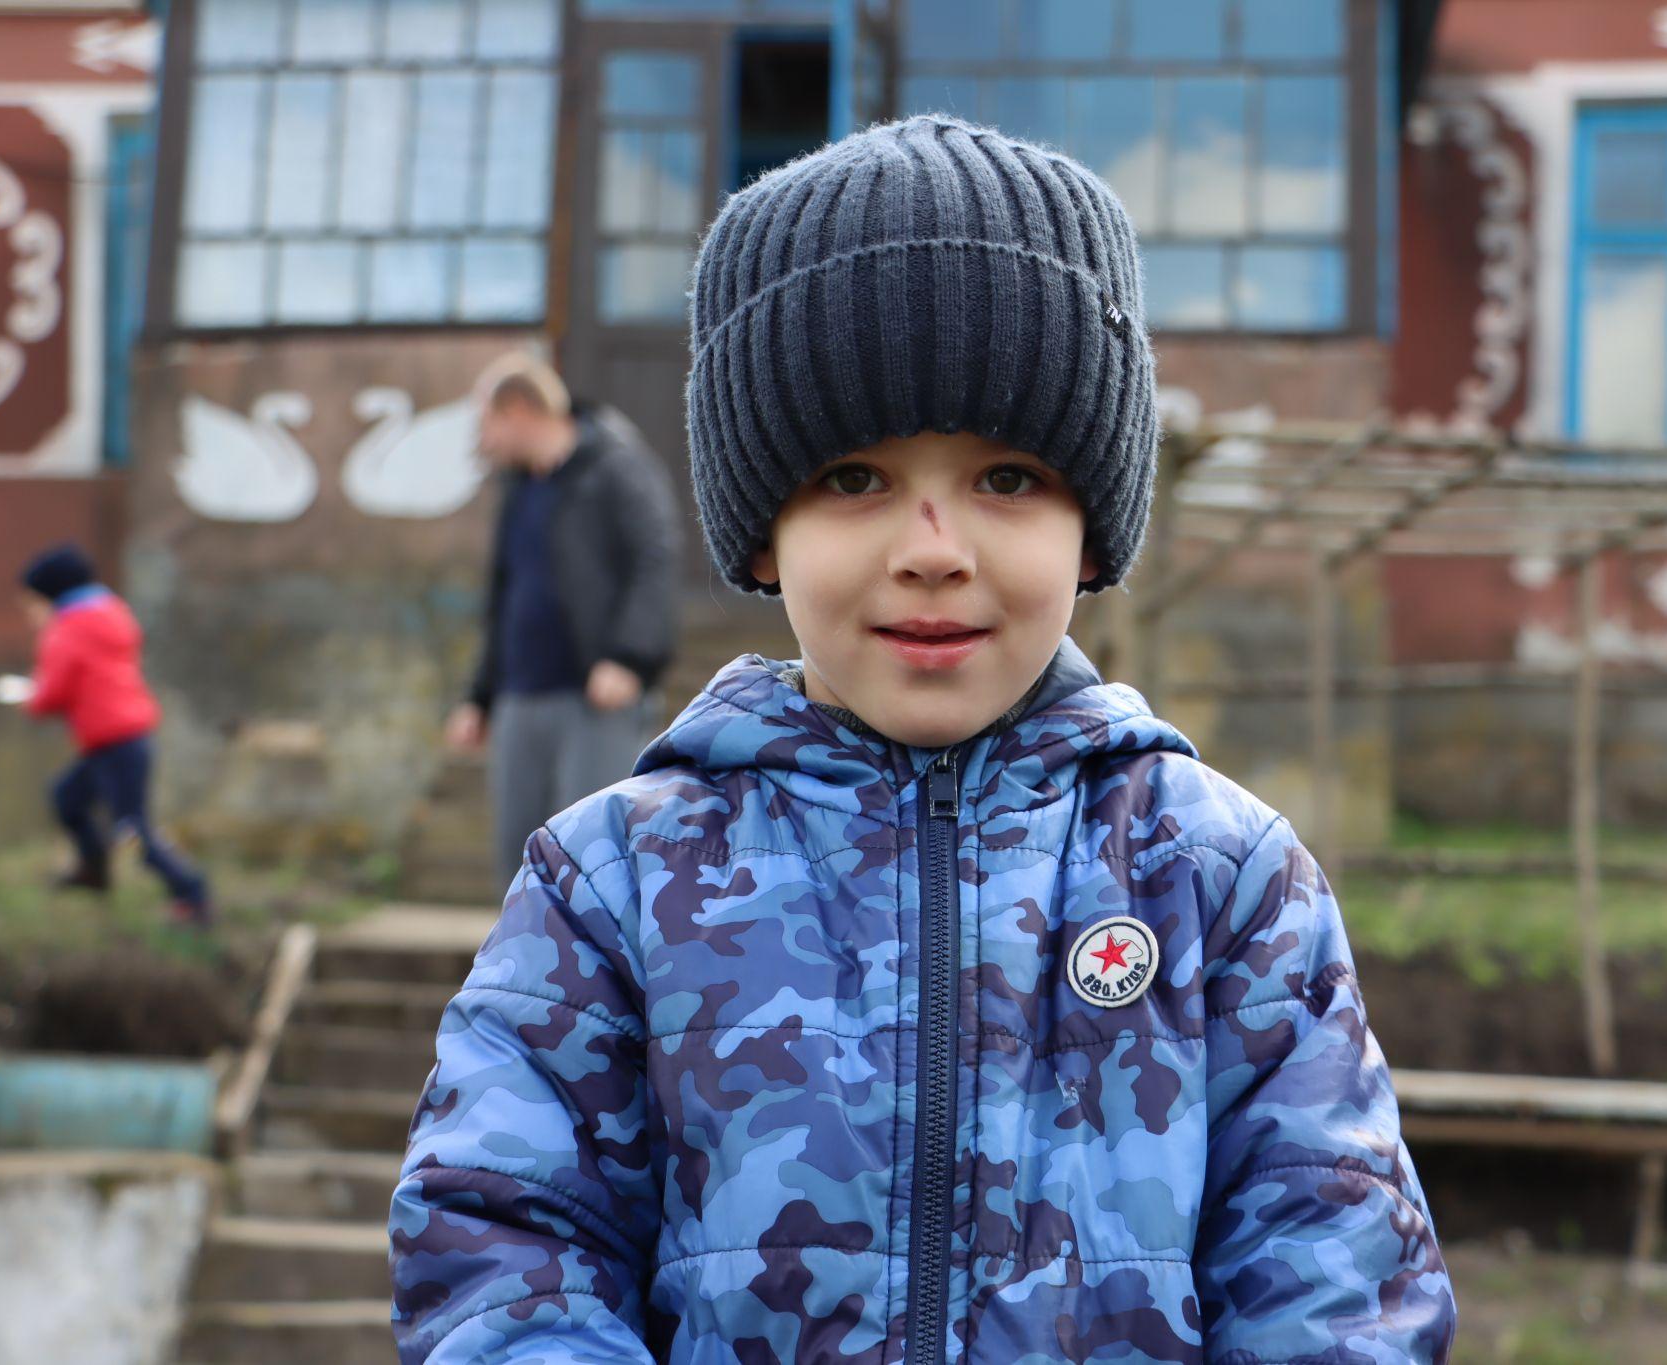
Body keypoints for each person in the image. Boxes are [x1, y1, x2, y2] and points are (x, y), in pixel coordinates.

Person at [390, 117, 1454, 1363]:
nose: (931, 547)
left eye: (1005, 478)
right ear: (760, 532)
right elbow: (500, 1247)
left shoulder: (1219, 881)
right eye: (853, 479)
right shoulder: (613, 889)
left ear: (1093, 529)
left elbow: (1338, 1281)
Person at [443, 353, 682, 885]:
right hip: (519, 698)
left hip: (594, 697)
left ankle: (597, 971)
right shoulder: (519, 489)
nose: (484, 440)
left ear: (520, 408)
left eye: (487, 422)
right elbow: (504, 596)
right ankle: (524, 968)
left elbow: (655, 558)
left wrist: (629, 657)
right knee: (518, 858)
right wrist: (478, 697)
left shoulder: (615, 466)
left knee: (591, 857)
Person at [0, 543, 210, 927]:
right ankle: (93, 871)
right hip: (123, 736)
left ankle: (192, 895)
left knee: (132, 829)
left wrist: (28, 698)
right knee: (68, 798)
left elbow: (53, 692)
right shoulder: (110, 613)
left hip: (113, 739)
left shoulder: (67, 629)